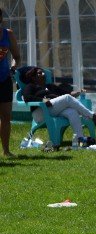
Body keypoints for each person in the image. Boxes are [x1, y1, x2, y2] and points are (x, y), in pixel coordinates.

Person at [19, 67, 96, 135]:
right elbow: (27, 97)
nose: (43, 74)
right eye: (40, 73)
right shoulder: (31, 86)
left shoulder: (50, 86)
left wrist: (78, 92)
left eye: (43, 72)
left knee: (72, 112)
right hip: (40, 112)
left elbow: (67, 93)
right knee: (67, 98)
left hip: (53, 109)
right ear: (33, 77)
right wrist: (43, 100)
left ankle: (80, 139)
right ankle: (93, 116)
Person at [0, 8, 21, 157]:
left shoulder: (8, 34)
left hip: (4, 80)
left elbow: (17, 57)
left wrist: (13, 67)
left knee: (6, 116)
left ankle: (6, 151)